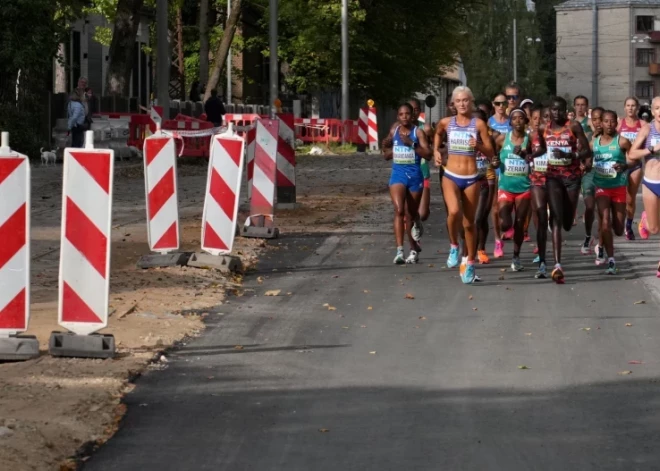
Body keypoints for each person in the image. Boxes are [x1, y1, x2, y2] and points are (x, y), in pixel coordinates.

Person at [434, 86, 494, 283]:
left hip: (471, 177)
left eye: (465, 100)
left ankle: (469, 263)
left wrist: (477, 146)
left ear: (471, 102)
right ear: (453, 103)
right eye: (458, 101)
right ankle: (453, 246)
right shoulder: (446, 123)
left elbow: (491, 153)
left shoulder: (479, 125)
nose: (462, 104)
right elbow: (438, 133)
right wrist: (436, 151)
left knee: (469, 223)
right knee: (453, 212)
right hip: (450, 174)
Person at [544, 96, 592, 283]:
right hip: (553, 177)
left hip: (572, 178)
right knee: (556, 219)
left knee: (566, 222)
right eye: (553, 110)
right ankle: (557, 265)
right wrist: (526, 153)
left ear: (566, 110)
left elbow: (587, 151)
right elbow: (538, 148)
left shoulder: (573, 127)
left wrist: (571, 154)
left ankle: (564, 216)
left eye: (560, 110)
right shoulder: (544, 128)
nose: (557, 113)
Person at [383, 103, 432, 264]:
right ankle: (399, 251)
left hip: (415, 176)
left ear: (413, 116)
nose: (404, 117)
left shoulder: (418, 132)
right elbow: (386, 154)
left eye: (407, 114)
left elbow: (428, 154)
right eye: (401, 114)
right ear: (398, 116)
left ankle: (413, 245)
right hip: (398, 174)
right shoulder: (394, 130)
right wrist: (387, 148)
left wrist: (412, 144)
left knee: (411, 214)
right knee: (399, 210)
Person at [493, 108, 538, 271]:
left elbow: (537, 157)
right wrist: (495, 163)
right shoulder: (502, 139)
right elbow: (494, 156)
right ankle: (506, 231)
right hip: (506, 187)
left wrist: (526, 155)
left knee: (519, 223)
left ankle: (516, 256)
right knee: (505, 223)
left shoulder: (530, 139)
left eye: (521, 118)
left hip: (524, 188)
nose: (518, 121)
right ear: (510, 122)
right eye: (514, 118)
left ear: (525, 121)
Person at [592, 110, 632, 275]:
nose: (609, 125)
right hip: (601, 186)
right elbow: (586, 158)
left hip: (619, 187)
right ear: (601, 123)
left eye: (612, 121)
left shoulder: (622, 142)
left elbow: (634, 157)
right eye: (606, 121)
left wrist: (625, 166)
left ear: (616, 123)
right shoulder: (594, 142)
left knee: (618, 229)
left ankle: (600, 243)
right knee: (605, 222)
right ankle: (611, 260)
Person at [629, 96, 660, 278]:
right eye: (657, 108)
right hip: (651, 182)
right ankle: (645, 221)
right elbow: (632, 153)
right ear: (653, 111)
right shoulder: (647, 129)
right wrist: (651, 150)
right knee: (655, 229)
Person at [617, 97, 645, 240]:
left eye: (633, 105)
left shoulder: (643, 124)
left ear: (637, 107)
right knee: (619, 198)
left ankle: (628, 226)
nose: (630, 108)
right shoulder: (618, 124)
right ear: (624, 108)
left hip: (635, 165)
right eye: (628, 105)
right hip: (621, 166)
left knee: (630, 198)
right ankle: (619, 222)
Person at [488, 92, 511, 258]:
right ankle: (497, 240)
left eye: (504, 103)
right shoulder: (488, 122)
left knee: (508, 208)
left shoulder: (513, 122)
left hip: (510, 170)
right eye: (498, 103)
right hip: (493, 168)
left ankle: (507, 226)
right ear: (493, 104)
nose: (501, 107)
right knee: (495, 208)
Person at [473, 108, 497, 265]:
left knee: (481, 217)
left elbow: (495, 159)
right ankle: (470, 250)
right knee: (473, 218)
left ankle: (480, 249)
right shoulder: (465, 139)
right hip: (470, 180)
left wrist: (495, 162)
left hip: (488, 179)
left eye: (479, 122)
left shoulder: (490, 139)